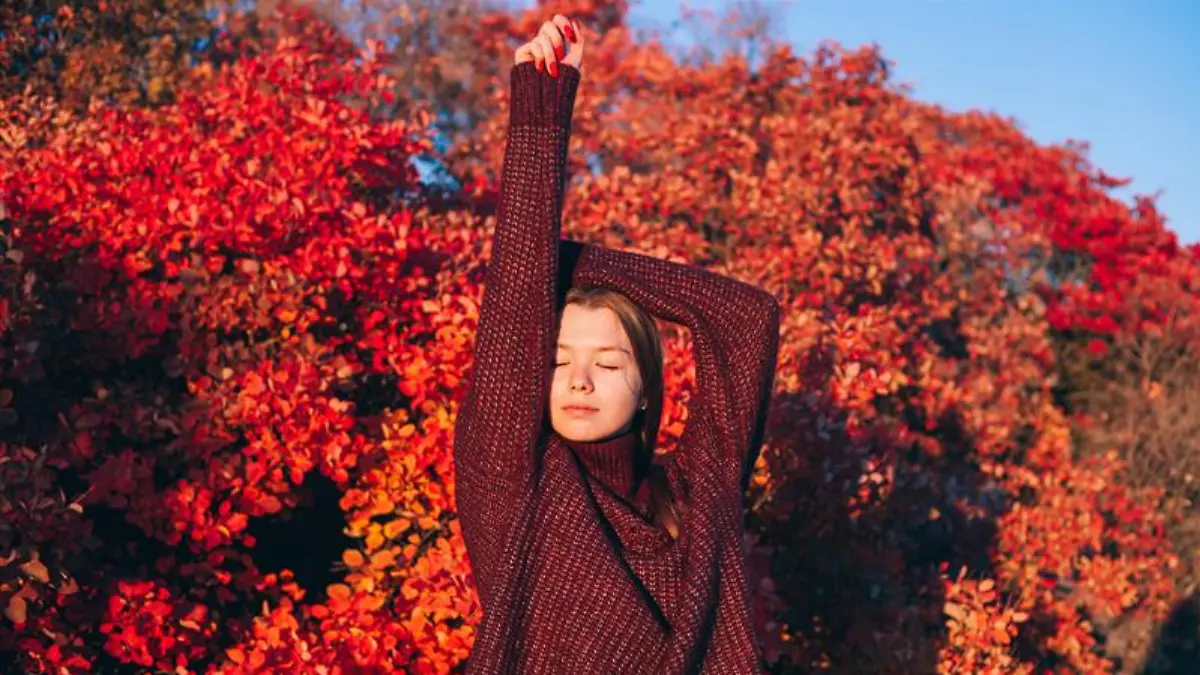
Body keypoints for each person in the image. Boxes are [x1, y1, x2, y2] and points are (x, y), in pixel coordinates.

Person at [453, 14, 781, 674]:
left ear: (645, 391)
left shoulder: (690, 496)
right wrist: (542, 106)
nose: (579, 380)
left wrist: (564, 258)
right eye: (558, 362)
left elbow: (747, 319)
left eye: (607, 363)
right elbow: (513, 314)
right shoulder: (513, 479)